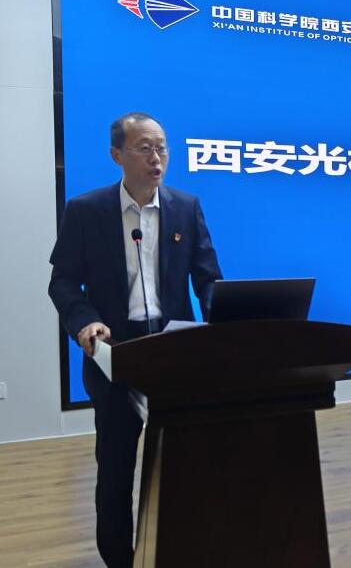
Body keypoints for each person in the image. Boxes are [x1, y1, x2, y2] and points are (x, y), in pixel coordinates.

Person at [48, 111, 223, 568]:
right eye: (144, 148)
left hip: (174, 354)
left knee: (184, 464)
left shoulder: (186, 207)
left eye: (162, 148)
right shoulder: (86, 211)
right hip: (115, 354)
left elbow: (208, 278)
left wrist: (224, 321)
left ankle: (178, 551)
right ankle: (119, 560)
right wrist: (85, 322)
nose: (156, 158)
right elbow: (63, 283)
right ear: (117, 155)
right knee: (116, 470)